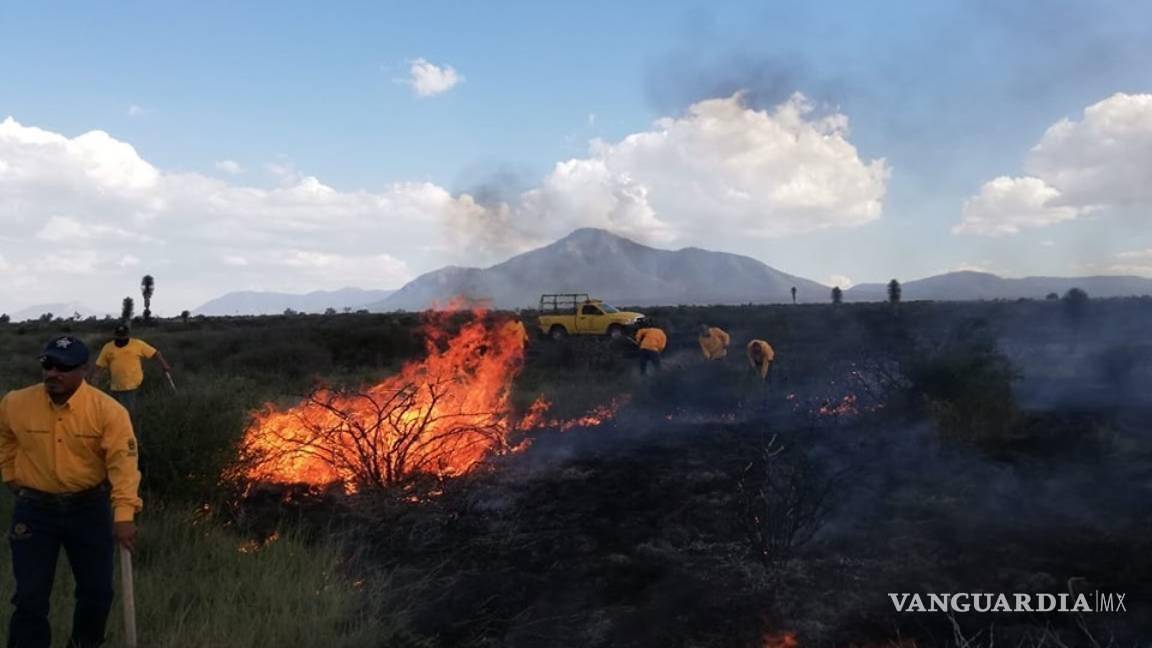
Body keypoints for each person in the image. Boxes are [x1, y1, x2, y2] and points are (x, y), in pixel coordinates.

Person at [0, 335, 142, 648]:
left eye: (63, 367)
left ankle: (84, 643)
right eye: (47, 364)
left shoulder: (109, 411)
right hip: (34, 510)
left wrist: (123, 515)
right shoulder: (15, 403)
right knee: (29, 596)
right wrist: (9, 473)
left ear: (85, 370)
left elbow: (124, 465)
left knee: (97, 592)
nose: (53, 372)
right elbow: (5, 437)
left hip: (88, 508)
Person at [93, 324, 172, 433]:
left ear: (128, 335)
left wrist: (164, 365)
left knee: (129, 412)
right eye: (119, 336)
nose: (121, 338)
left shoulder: (137, 344)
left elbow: (155, 353)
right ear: (115, 335)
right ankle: (119, 432)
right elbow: (100, 365)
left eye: (123, 336)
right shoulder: (108, 347)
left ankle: (131, 433)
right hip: (115, 386)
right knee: (115, 412)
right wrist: (95, 379)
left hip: (132, 384)